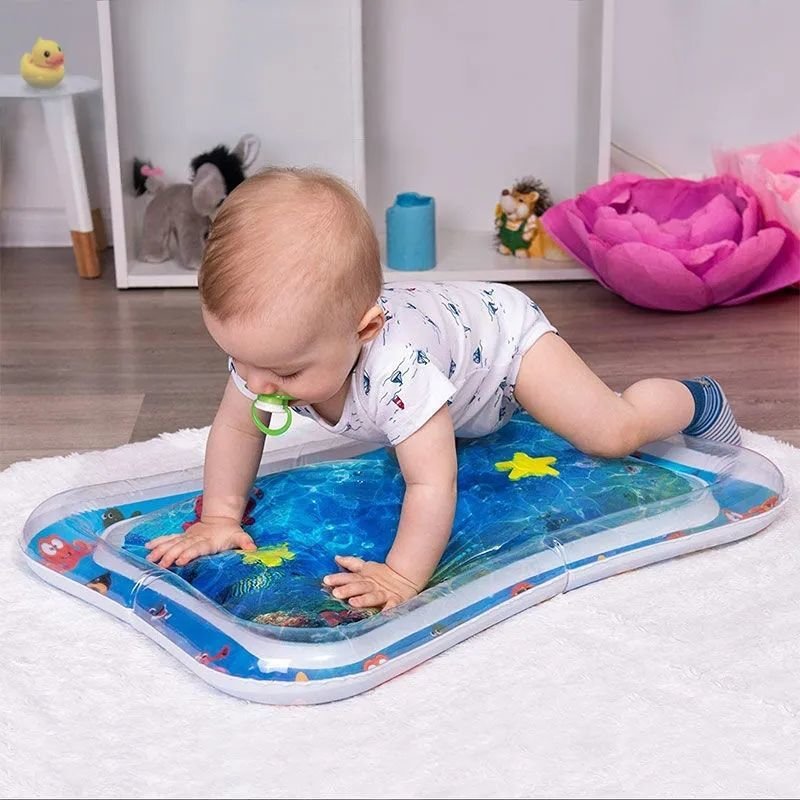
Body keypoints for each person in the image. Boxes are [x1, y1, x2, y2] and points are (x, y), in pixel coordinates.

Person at [146, 167, 740, 610]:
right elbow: (235, 426)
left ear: (364, 330)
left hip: (503, 343)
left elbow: (432, 483)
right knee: (436, 433)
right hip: (454, 363)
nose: (257, 383)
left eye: (286, 373)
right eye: (239, 358)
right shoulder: (268, 358)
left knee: (609, 433)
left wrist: (402, 575)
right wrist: (219, 516)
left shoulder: (397, 369)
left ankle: (695, 398)